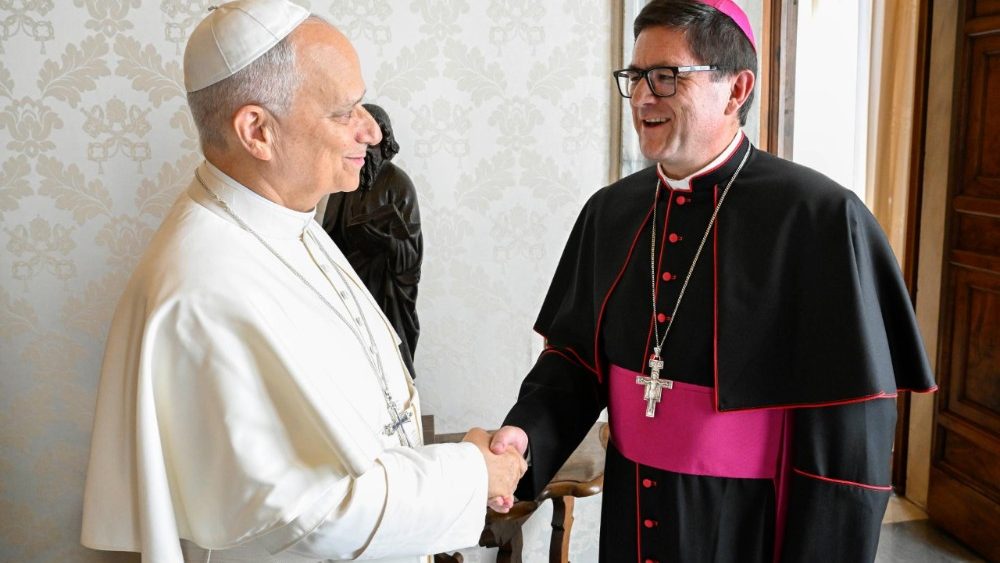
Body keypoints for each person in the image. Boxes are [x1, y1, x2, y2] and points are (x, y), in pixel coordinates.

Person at [489, 1, 936, 561]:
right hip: (632, 514)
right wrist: (524, 433)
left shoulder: (821, 218)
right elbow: (575, 361)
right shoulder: (609, 212)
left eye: (667, 76)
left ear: (736, 88)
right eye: (636, 77)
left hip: (753, 527)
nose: (644, 96)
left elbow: (850, 442)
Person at [80, 2, 525, 562]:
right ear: (258, 131)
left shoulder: (288, 218)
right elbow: (307, 519)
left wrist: (452, 463)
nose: (370, 129)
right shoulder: (204, 286)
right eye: (344, 111)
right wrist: (469, 475)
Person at [323, 104, 422, 378]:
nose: (365, 153)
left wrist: (383, 241)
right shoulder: (343, 185)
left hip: (388, 294)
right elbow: (327, 240)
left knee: (393, 363)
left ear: (384, 142)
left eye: (372, 146)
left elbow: (411, 257)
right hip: (351, 291)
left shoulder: (399, 185)